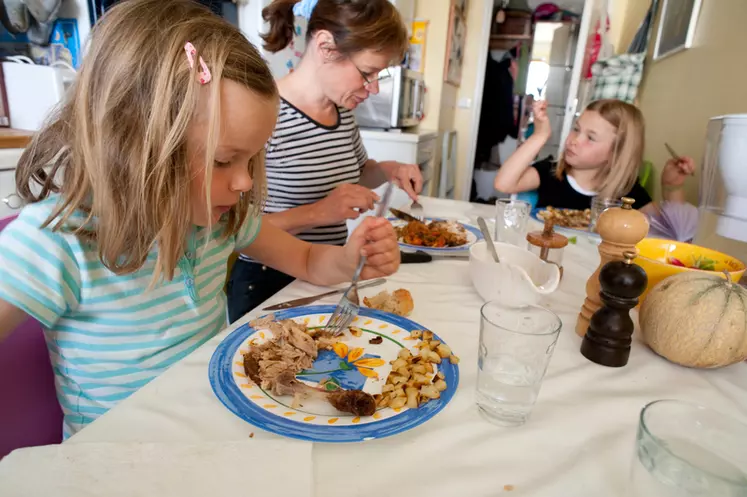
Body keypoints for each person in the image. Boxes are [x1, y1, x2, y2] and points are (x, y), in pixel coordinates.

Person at [0, 0, 400, 437]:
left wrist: (349, 260)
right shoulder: (59, 242)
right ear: (135, 145)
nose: (246, 182)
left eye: (253, 159)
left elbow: (305, 261)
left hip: (216, 427)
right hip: (118, 460)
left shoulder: (223, 221)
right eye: (225, 160)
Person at [226, 0, 423, 324]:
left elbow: (359, 173)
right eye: (368, 73)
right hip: (267, 283)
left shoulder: (342, 113)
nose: (373, 89)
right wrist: (321, 212)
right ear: (325, 47)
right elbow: (234, 232)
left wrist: (391, 170)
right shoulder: (266, 114)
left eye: (379, 76)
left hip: (326, 274)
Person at [493, 99, 695, 215]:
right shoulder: (552, 171)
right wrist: (539, 135)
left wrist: (672, 188)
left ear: (616, 153)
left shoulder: (626, 191)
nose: (574, 140)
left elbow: (666, 233)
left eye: (590, 137)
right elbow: (504, 184)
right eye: (576, 129)